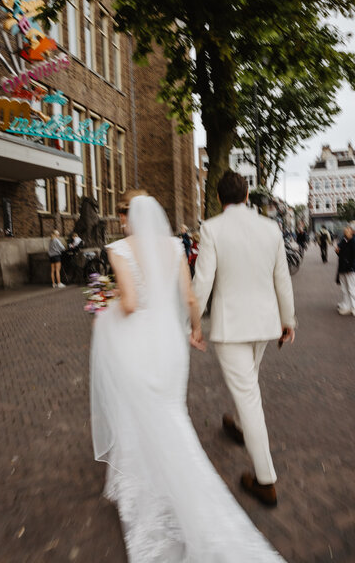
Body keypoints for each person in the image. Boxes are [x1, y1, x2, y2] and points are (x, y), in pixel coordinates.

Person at [90, 194, 285, 562]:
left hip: (139, 342)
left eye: (121, 214)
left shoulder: (118, 248)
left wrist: (104, 309)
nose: (120, 221)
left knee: (142, 412)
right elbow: (191, 299)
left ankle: (165, 483)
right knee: (170, 412)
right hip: (170, 345)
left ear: (126, 216)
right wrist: (195, 331)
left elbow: (129, 304)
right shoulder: (173, 247)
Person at [193, 170, 296, 507]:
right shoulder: (271, 229)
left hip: (232, 327)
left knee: (249, 395)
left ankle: (265, 480)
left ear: (220, 199)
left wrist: (193, 325)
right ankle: (236, 425)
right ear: (247, 196)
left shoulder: (211, 228)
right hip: (265, 325)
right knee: (248, 383)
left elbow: (203, 281)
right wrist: (288, 321)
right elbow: (282, 279)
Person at [335, 224, 355, 316]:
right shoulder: (344, 239)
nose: (346, 229)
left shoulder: (353, 241)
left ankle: (353, 307)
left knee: (351, 288)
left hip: (350, 268)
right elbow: (340, 252)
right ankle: (346, 304)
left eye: (349, 228)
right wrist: (337, 251)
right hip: (343, 267)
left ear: (352, 231)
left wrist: (351, 268)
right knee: (344, 287)